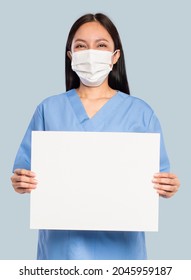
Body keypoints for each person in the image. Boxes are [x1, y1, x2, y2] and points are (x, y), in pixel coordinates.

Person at [11, 13, 180, 260]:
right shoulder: (48, 109)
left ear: (115, 56)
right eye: (81, 46)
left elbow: (158, 177)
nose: (90, 53)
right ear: (70, 56)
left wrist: (168, 186)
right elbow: (23, 173)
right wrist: (20, 182)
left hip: (123, 253)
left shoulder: (141, 113)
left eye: (101, 45)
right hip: (62, 252)